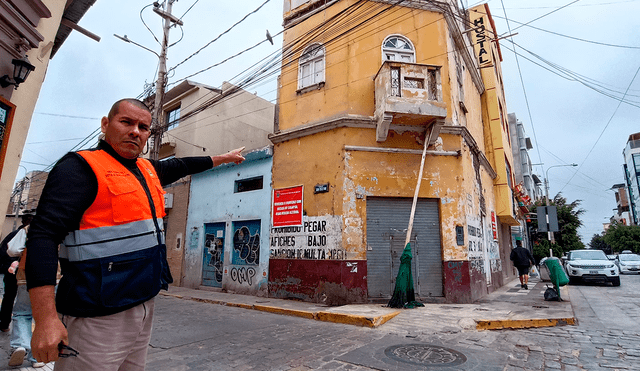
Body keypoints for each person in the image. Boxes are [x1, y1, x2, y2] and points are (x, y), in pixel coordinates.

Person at [25, 98, 245, 370]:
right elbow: (42, 237)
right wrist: (45, 319)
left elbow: (184, 164)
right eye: (126, 122)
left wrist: (224, 158)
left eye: (143, 127)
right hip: (97, 313)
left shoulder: (147, 169)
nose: (135, 131)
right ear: (106, 124)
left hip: (143, 304)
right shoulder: (80, 168)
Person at [5, 211, 45, 368]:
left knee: (22, 312)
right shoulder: (59, 229)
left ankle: (21, 344)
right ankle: (37, 357)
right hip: (52, 279)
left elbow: (12, 250)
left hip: (26, 277)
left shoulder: (27, 230)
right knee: (43, 317)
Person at [0, 213, 33, 332]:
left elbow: (3, 251)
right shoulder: (34, 236)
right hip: (23, 272)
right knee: (22, 301)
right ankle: (9, 326)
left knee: (9, 296)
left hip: (12, 271)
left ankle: (4, 324)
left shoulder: (13, 235)